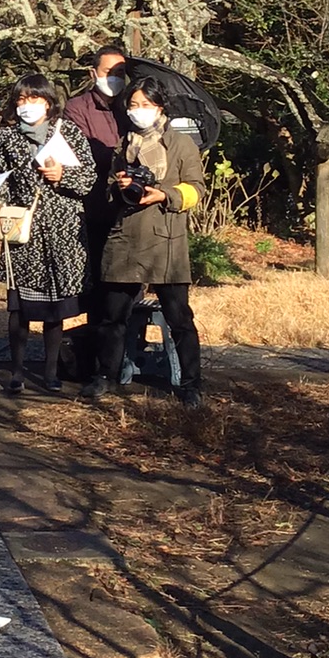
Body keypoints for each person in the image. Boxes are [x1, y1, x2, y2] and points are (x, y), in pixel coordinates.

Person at [90, 75, 207, 409]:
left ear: (160, 107)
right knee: (112, 316)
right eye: (133, 105)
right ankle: (106, 375)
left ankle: (191, 383)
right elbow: (109, 190)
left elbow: (197, 188)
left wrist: (164, 194)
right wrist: (119, 186)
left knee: (179, 318)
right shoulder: (123, 145)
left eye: (146, 104)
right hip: (125, 238)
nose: (138, 111)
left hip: (165, 240)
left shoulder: (182, 144)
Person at [0, 74, 94, 394]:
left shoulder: (69, 133)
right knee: (19, 308)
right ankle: (17, 371)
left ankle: (50, 372)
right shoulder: (7, 138)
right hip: (23, 232)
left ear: (48, 103)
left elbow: (89, 178)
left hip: (62, 232)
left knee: (54, 308)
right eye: (21, 100)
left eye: (33, 99)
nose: (27, 105)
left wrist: (63, 175)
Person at [63, 43, 130, 373]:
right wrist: (122, 158)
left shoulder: (133, 105)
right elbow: (83, 156)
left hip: (130, 212)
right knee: (97, 287)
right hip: (93, 209)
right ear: (94, 73)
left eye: (120, 73)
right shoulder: (77, 108)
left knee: (124, 289)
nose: (114, 79)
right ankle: (94, 363)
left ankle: (119, 356)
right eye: (108, 73)